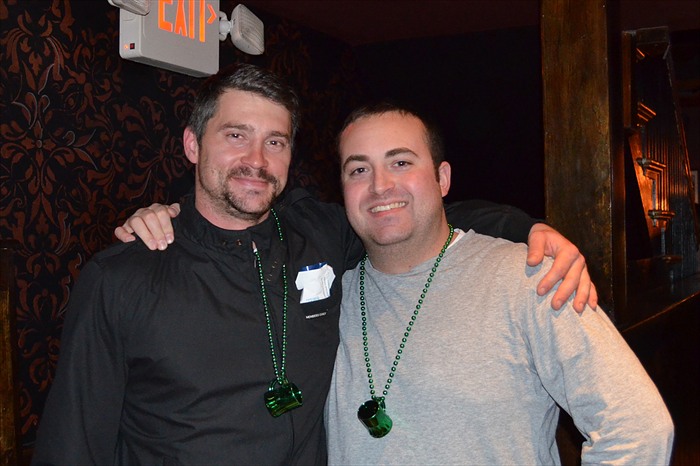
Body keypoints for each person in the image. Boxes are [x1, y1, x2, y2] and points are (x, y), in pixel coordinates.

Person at [33, 64, 592, 465]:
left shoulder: (317, 232)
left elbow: (405, 213)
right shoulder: (122, 277)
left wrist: (526, 227)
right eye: (236, 136)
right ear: (192, 145)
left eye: (275, 142)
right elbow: (72, 444)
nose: (256, 159)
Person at [324, 103, 674, 465]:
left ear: (442, 178)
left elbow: (637, 430)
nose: (380, 185)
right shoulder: (329, 299)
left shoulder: (529, 277)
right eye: (359, 170)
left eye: (401, 162)